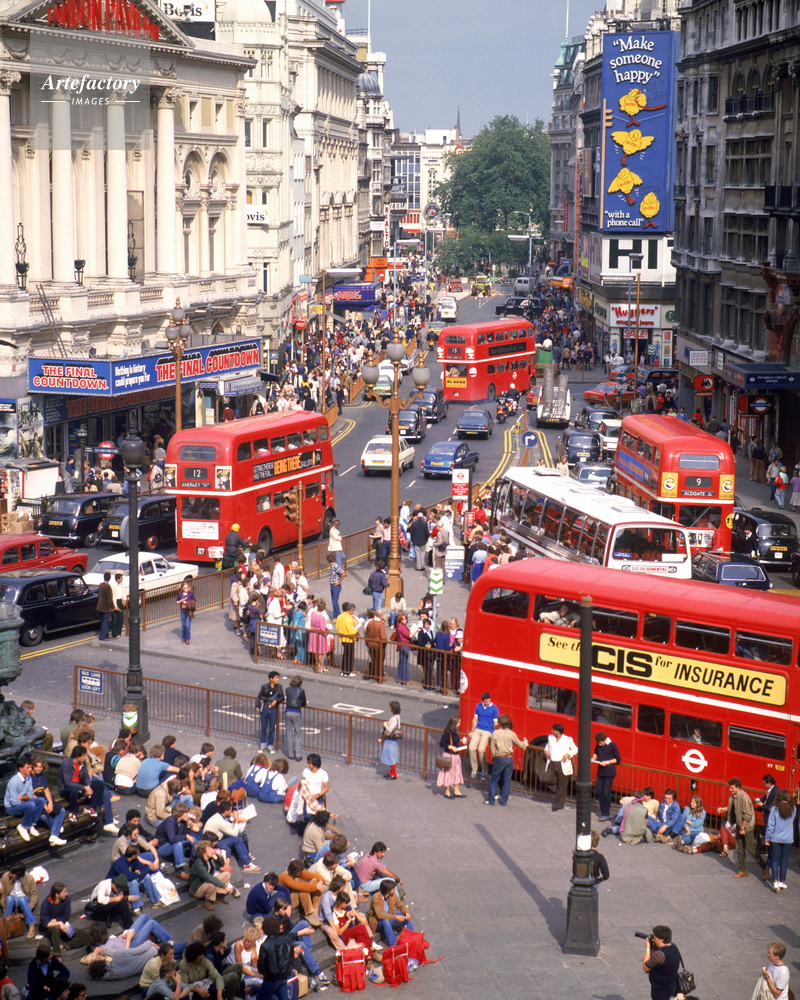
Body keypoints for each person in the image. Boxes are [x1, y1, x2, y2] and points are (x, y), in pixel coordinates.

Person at [5, 756, 64, 846]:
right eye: (28, 768)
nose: (30, 769)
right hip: (12, 807)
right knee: (32, 805)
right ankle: (24, 826)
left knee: (40, 800)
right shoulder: (14, 782)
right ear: (21, 769)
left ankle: (33, 825)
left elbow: (30, 794)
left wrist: (22, 797)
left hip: (23, 802)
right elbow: (14, 802)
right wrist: (25, 800)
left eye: (30, 767)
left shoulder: (28, 778)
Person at [717, 776, 764, 879]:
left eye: (732, 788)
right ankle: (743, 870)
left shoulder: (744, 797)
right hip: (739, 825)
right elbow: (733, 807)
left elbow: (748, 815)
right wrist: (724, 809)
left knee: (751, 849)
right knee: (739, 848)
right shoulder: (733, 797)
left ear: (738, 787)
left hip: (747, 826)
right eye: (730, 788)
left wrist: (742, 828)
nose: (730, 790)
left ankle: (764, 867)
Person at [485, 715, 528, 807]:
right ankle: (504, 800)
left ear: (499, 723)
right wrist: (525, 744)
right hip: (509, 758)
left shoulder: (496, 733)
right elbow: (521, 745)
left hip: (499, 757)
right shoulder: (512, 734)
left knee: (494, 779)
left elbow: (492, 747)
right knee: (507, 779)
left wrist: (493, 756)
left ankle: (491, 800)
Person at [256, 914, 301, 1000]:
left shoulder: (265, 945)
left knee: (260, 998)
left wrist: (265, 974)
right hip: (283, 977)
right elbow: (290, 958)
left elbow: (261, 965)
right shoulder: (286, 941)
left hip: (270, 979)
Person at [367, 879, 414, 946]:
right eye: (393, 888)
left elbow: (401, 905)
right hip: (377, 922)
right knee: (385, 921)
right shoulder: (376, 898)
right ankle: (394, 944)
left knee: (403, 914)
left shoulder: (392, 896)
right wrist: (396, 917)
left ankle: (412, 936)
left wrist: (407, 913)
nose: (395, 890)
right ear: (388, 891)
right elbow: (380, 915)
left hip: (389, 918)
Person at [765, 790, 796, 892]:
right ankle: (782, 881)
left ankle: (775, 882)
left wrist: (767, 838)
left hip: (775, 838)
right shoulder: (793, 809)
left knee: (775, 859)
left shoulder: (774, 809)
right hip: (788, 839)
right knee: (784, 860)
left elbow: (770, 825)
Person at [543, 723, 578, 811]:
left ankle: (558, 804)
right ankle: (558, 791)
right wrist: (546, 750)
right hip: (552, 763)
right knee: (546, 779)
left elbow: (575, 749)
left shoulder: (568, 739)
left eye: (553, 730)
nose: (552, 731)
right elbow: (547, 746)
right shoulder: (550, 738)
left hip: (562, 764)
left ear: (558, 732)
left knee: (562, 785)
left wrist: (568, 754)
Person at [642, 925, 682, 1000]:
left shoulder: (659, 954)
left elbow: (646, 967)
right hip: (671, 985)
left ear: (661, 940)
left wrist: (648, 948)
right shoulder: (674, 947)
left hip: (660, 989)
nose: (653, 940)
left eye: (654, 938)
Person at [1, 863, 39, 939]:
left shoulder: (29, 878)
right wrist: (2, 904)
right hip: (10, 897)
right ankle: (3, 927)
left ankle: (31, 925)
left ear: (18, 874)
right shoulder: (5, 877)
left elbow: (34, 895)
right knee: (9, 899)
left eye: (12, 873)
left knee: (22, 899)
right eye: (10, 872)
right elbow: (3, 893)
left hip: (23, 897)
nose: (10, 875)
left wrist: (28, 908)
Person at [468, 692, 499, 780]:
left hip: (488, 730)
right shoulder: (478, 706)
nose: (488, 702)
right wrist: (472, 731)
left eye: (489, 701)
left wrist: (495, 733)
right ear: (483, 701)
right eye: (486, 701)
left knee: (481, 749)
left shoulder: (494, 708)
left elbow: (495, 723)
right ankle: (474, 769)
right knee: (471, 748)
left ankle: (484, 770)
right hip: (478, 729)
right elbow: (475, 719)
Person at [591, 732, 620, 821]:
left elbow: (618, 759)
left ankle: (606, 813)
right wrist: (594, 758)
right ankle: (603, 812)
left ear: (604, 740)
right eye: (598, 743)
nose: (599, 744)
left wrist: (607, 762)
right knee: (599, 791)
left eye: (600, 743)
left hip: (609, 772)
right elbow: (596, 752)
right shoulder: (598, 745)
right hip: (601, 771)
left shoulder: (612, 745)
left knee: (606, 792)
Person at [437, 715, 466, 800]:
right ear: (454, 723)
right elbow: (442, 743)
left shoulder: (454, 732)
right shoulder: (447, 733)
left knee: (456, 772)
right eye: (459, 722)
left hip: (455, 756)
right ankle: (447, 791)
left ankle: (456, 791)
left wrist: (460, 741)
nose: (460, 724)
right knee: (448, 772)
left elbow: (453, 740)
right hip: (449, 756)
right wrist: (451, 747)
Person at [256, 671, 284, 753]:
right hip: (265, 708)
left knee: (272, 728)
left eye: (278, 678)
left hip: (273, 709)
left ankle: (270, 746)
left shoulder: (279, 687)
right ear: (271, 679)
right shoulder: (264, 687)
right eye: (276, 678)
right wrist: (257, 706)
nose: (277, 680)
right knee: (264, 728)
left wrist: (276, 700)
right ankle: (263, 745)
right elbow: (259, 697)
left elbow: (282, 697)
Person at [283, 675, 306, 761]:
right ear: (300, 683)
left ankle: (291, 754)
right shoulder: (301, 691)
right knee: (297, 733)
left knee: (289, 732)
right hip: (296, 712)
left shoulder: (287, 689)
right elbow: (304, 702)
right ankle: (298, 754)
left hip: (288, 711)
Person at [379, 701, 402, 780]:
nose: (390, 708)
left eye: (391, 706)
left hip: (390, 740)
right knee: (393, 756)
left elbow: (389, 730)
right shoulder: (397, 716)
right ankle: (392, 772)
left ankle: (394, 774)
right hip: (394, 740)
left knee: (390, 756)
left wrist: (385, 725)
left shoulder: (394, 719)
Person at [308, 599, 330, 675]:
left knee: (315, 650)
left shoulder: (313, 613)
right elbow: (322, 628)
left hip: (313, 633)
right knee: (321, 651)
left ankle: (317, 666)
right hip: (319, 634)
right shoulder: (321, 617)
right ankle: (321, 666)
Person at [364, 609, 387, 681]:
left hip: (370, 644)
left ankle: (373, 673)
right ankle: (379, 676)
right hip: (378, 645)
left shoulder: (370, 622)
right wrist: (385, 643)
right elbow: (383, 637)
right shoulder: (380, 624)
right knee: (380, 660)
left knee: (373, 659)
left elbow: (366, 632)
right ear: (382, 616)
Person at [394, 612, 411, 684]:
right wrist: (416, 630)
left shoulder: (400, 626)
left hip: (401, 646)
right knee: (404, 663)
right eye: (403, 619)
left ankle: (399, 678)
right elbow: (409, 635)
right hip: (404, 645)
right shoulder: (402, 627)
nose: (405, 620)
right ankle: (405, 680)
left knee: (401, 662)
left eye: (406, 618)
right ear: (400, 619)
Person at [177, 580, 195, 645]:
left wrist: (187, 602)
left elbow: (195, 601)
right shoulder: (180, 593)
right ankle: (183, 638)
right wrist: (181, 601)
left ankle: (187, 639)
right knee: (183, 625)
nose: (186, 589)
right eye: (185, 588)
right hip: (182, 610)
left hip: (189, 611)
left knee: (187, 625)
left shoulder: (191, 593)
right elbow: (177, 601)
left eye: (187, 587)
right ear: (182, 588)